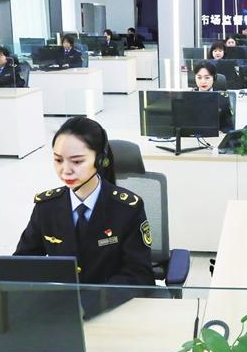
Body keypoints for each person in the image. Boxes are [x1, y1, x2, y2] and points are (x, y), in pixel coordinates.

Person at [14, 117, 154, 286]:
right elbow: (22, 264)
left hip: (112, 300)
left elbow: (139, 274)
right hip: (63, 299)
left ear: (101, 160)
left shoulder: (127, 209)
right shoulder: (46, 208)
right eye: (58, 160)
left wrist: (96, 297)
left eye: (77, 161)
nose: (65, 171)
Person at [192, 61, 234, 132]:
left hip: (216, 137)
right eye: (199, 78)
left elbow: (228, 127)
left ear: (214, 78)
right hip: (193, 136)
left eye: (207, 78)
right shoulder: (189, 97)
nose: (203, 82)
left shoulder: (222, 98)